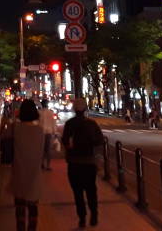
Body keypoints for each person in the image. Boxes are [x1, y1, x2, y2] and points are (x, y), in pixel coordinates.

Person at [63, 97, 104, 228]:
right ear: (85, 108)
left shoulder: (69, 124)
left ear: (75, 109)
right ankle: (94, 215)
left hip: (74, 162)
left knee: (78, 192)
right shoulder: (92, 124)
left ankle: (82, 218)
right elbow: (99, 141)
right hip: (89, 162)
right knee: (91, 190)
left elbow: (64, 140)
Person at [11, 99, 44, 231]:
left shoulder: (15, 128)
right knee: (33, 207)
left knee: (19, 208)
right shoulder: (40, 131)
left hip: (19, 173)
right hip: (35, 174)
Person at [39, 99, 56, 170]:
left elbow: (37, 122)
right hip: (49, 132)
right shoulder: (51, 113)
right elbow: (53, 123)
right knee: (48, 149)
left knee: (41, 149)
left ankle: (42, 164)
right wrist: (54, 132)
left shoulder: (39, 112)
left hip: (41, 132)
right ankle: (48, 165)